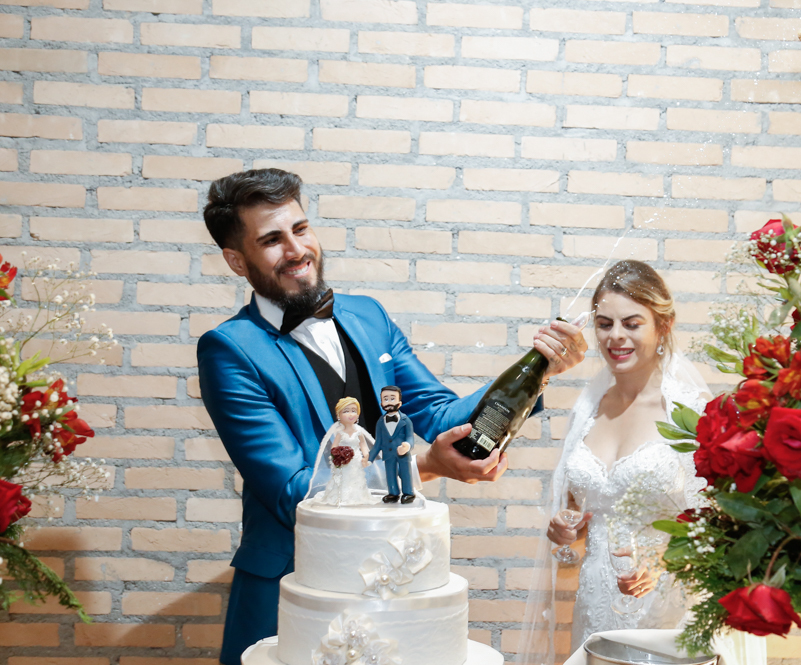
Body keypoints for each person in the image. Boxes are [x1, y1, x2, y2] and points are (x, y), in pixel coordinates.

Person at [196, 168, 588, 665]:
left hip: (395, 582)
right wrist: (422, 467)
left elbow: (441, 413)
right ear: (236, 260)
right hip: (293, 588)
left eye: (301, 228)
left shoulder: (369, 316)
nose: (296, 250)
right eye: (272, 240)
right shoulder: (229, 350)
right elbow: (294, 491)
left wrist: (538, 371)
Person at [517, 260, 766, 664]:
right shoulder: (587, 409)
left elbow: (724, 527)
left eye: (632, 324)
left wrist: (663, 560)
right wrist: (566, 528)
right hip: (596, 607)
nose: (615, 336)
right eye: (604, 324)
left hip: (668, 610)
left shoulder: (693, 413)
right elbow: (584, 514)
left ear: (663, 326)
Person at [309, 397, 379, 506]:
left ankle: (356, 496)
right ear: (339, 415)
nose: (351, 414)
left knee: (356, 478)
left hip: (356, 460)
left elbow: (363, 446)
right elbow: (334, 447)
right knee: (343, 478)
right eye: (346, 411)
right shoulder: (340, 433)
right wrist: (337, 455)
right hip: (343, 461)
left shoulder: (359, 432)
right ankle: (341, 496)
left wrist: (366, 456)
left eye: (353, 411)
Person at [369, 385, 416, 504]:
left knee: (405, 474)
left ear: (400, 402)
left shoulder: (406, 420)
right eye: (385, 399)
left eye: (392, 398)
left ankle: (408, 493)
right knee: (390, 474)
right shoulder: (380, 422)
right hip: (388, 454)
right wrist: (369, 458)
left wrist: (407, 446)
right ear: (381, 403)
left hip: (403, 454)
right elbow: (378, 442)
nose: (389, 402)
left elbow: (410, 438)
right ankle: (393, 493)